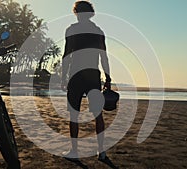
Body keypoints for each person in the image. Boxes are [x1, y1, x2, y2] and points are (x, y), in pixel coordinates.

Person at [61, 1, 111, 161]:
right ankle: (101, 152)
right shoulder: (98, 31)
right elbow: (104, 57)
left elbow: (67, 55)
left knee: (74, 115)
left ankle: (74, 151)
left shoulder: (72, 30)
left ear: (76, 12)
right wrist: (108, 77)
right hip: (93, 75)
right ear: (90, 13)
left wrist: (63, 77)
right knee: (98, 115)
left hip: (76, 76)